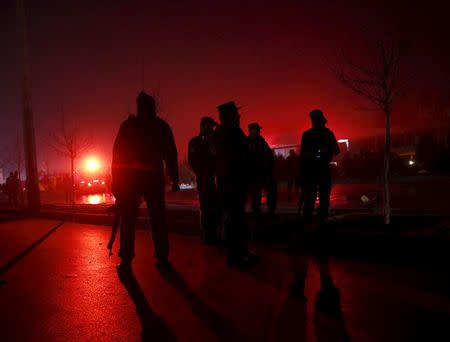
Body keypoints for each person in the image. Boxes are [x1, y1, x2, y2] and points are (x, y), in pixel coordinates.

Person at [112, 91, 180, 275]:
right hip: (153, 179)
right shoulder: (161, 126)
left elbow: (116, 156)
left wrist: (116, 183)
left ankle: (126, 259)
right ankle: (162, 258)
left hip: (130, 180)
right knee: (158, 219)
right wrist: (174, 178)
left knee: (128, 220)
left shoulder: (128, 126)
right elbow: (171, 155)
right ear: (153, 107)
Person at [213, 101, 259, 269]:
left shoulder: (219, 133)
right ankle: (236, 257)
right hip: (234, 182)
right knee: (235, 221)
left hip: (227, 183)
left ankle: (240, 253)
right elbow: (241, 157)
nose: (239, 118)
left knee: (234, 220)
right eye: (236, 115)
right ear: (230, 116)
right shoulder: (232, 132)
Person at [299, 109, 340, 222]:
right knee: (321, 197)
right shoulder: (327, 134)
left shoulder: (307, 135)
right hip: (319, 170)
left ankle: (310, 221)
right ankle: (319, 220)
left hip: (312, 170)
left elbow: (302, 156)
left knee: (311, 197)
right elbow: (336, 151)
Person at [188, 116, 221, 245]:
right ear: (203, 126)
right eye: (209, 126)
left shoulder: (212, 142)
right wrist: (203, 172)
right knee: (206, 208)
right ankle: (207, 235)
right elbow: (192, 161)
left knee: (215, 207)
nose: (211, 129)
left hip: (213, 179)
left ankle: (214, 233)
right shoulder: (195, 142)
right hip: (203, 179)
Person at [247, 122, 277, 216]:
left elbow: (269, 155)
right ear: (252, 131)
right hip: (255, 173)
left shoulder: (260, 141)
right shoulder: (249, 142)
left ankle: (267, 210)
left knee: (266, 191)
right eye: (257, 130)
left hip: (263, 172)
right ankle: (258, 211)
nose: (259, 131)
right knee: (257, 193)